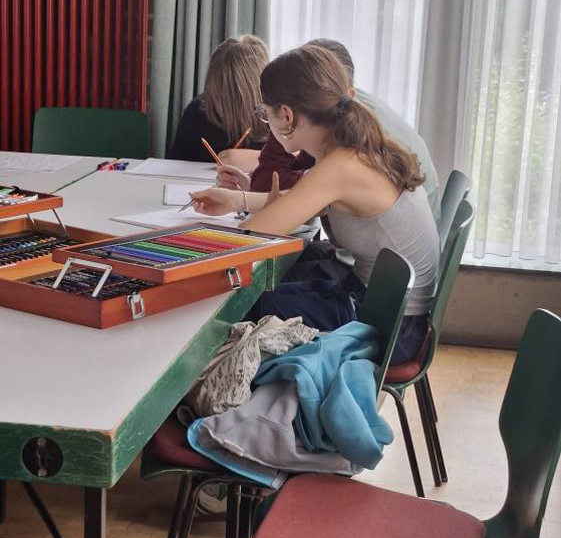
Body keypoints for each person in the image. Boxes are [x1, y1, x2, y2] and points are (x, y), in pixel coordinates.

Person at [191, 45, 440, 361]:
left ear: (286, 115)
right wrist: (235, 199)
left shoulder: (340, 165)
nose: (266, 122)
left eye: (265, 113)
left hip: (390, 329)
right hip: (390, 310)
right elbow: (299, 202)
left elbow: (247, 238)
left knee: (243, 308)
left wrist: (174, 252)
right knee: (268, 290)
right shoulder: (352, 148)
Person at [217, 38, 440, 218]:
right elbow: (296, 192)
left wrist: (243, 199)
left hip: (378, 259)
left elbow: (296, 202)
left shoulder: (349, 145)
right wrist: (246, 192)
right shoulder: (330, 121)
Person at [168, 35, 269, 162]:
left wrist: (257, 159)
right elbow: (175, 163)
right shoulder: (197, 111)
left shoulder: (275, 116)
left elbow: (291, 164)